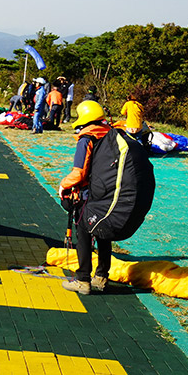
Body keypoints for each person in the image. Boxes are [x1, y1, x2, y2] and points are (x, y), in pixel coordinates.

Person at [57, 101, 113, 294]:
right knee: (103, 234)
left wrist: (63, 185)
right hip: (108, 193)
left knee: (83, 234)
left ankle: (82, 280)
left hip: (88, 194)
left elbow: (79, 173)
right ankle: (101, 277)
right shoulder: (110, 134)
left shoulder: (86, 138)